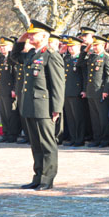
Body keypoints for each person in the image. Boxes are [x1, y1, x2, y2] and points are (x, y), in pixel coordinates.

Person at [11, 20, 65, 191]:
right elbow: (14, 56)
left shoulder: (51, 55)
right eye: (30, 34)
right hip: (29, 105)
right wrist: (21, 39)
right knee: (35, 144)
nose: (30, 36)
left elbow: (57, 84)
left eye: (33, 34)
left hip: (44, 106)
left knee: (47, 144)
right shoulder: (31, 54)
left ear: (44, 36)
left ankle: (47, 179)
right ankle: (38, 176)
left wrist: (56, 108)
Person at [0, 37, 20, 142]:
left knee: (11, 113)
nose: (2, 49)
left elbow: (16, 75)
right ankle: (6, 133)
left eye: (4, 46)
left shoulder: (12, 59)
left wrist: (15, 89)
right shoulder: (1, 58)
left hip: (9, 89)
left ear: (11, 47)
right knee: (3, 112)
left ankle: (12, 134)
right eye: (1, 47)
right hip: (1, 89)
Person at [63, 36, 86, 147]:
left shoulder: (80, 59)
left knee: (78, 117)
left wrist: (84, 90)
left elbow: (84, 76)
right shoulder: (67, 58)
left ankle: (79, 139)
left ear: (78, 47)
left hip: (77, 92)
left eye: (73, 46)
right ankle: (73, 138)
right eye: (69, 46)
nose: (70, 49)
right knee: (70, 117)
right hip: (67, 91)